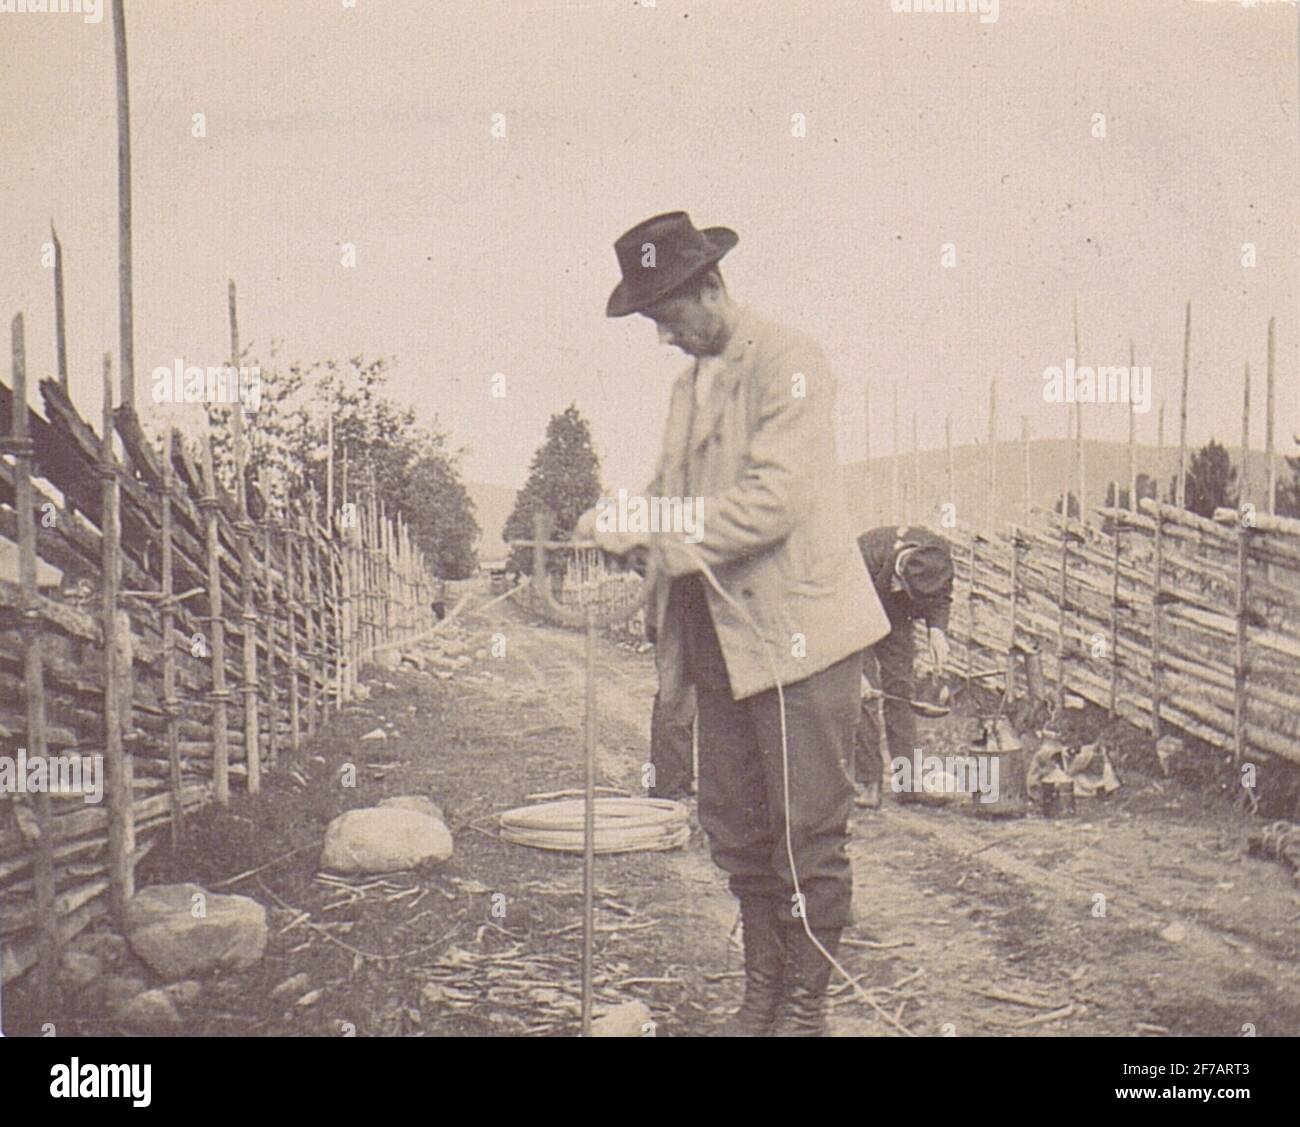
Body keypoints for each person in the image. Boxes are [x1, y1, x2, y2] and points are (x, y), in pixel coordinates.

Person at [578, 212, 890, 1036]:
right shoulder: (689, 388)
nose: (664, 336)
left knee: (805, 831)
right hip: (721, 640)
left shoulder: (790, 363)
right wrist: (621, 519)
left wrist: (657, 535)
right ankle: (762, 996)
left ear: (711, 286)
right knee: (740, 829)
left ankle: (804, 1009)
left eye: (668, 315)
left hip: (799, 638)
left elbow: (771, 503)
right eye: (653, 320)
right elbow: (669, 493)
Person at [853, 525, 954, 808]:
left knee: (901, 692)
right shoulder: (862, 556)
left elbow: (942, 596)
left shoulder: (937, 555)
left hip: (897, 618)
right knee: (866, 696)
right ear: (898, 574)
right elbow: (843, 610)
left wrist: (937, 631)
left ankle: (908, 784)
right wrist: (857, 672)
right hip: (857, 616)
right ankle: (869, 783)